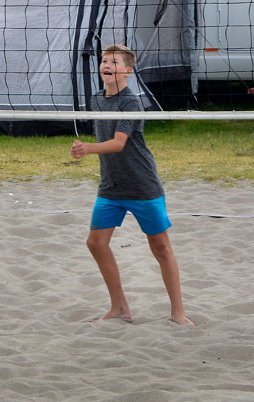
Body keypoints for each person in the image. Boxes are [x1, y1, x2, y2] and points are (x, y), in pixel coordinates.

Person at [71, 45, 193, 326]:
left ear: (127, 71)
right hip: (111, 186)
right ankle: (119, 307)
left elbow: (119, 143)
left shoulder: (131, 103)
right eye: (104, 61)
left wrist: (88, 148)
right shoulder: (96, 99)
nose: (106, 65)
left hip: (142, 185)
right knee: (95, 243)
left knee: (161, 248)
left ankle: (178, 313)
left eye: (113, 62)